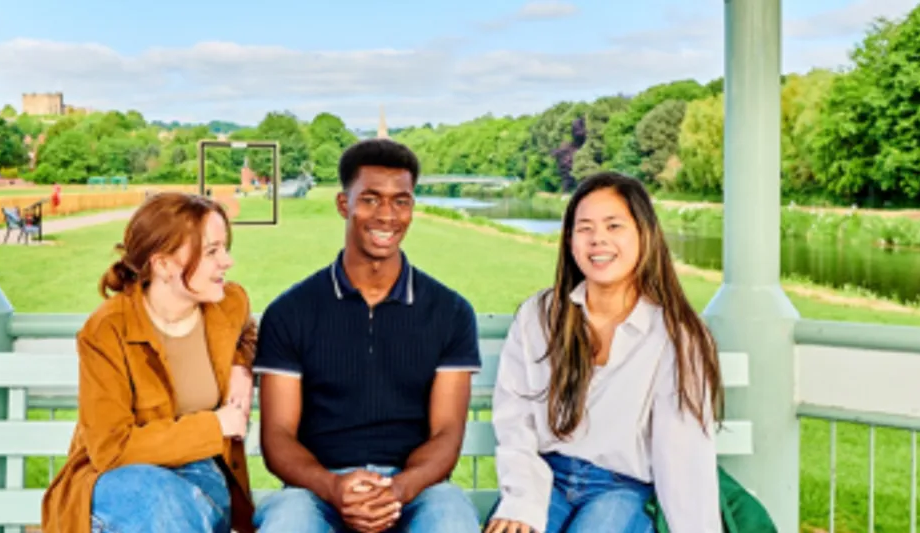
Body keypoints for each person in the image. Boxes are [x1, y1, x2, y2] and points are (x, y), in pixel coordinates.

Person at [251, 138, 482, 532]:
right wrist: (334, 487)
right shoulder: (290, 311)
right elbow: (277, 436)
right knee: (287, 522)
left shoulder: (450, 312)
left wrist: (397, 490)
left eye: (401, 201)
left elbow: (447, 433)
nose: (387, 216)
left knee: (451, 519)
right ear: (345, 205)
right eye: (371, 199)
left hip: (417, 491)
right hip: (317, 492)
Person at [485, 172, 724, 533]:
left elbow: (683, 454)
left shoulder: (676, 336)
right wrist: (521, 502)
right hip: (542, 479)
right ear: (569, 241)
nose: (598, 240)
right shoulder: (540, 316)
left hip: (622, 488)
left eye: (614, 226)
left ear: (644, 234)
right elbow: (515, 420)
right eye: (585, 228)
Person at [40, 192, 260, 533]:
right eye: (212, 251)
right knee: (154, 499)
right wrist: (216, 426)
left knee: (170, 511)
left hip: (201, 471)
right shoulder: (106, 331)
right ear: (163, 264)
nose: (227, 261)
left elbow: (248, 332)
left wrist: (241, 367)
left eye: (224, 247)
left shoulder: (228, 303)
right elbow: (111, 451)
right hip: (119, 479)